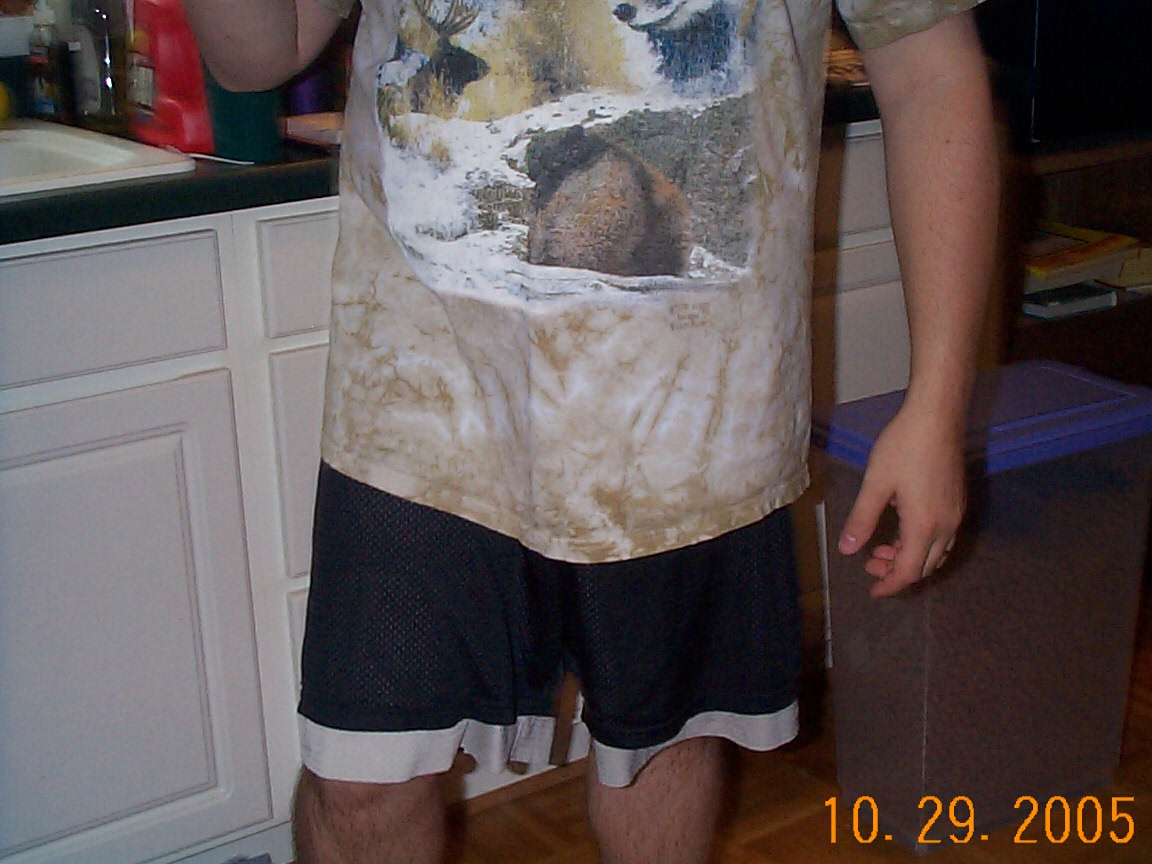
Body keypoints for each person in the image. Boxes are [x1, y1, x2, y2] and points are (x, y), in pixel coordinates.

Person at [185, 0, 998, 860]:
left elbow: (930, 72)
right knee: (359, 785)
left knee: (660, 756)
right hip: (420, 405)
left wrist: (938, 405)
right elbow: (255, 56)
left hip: (694, 416)